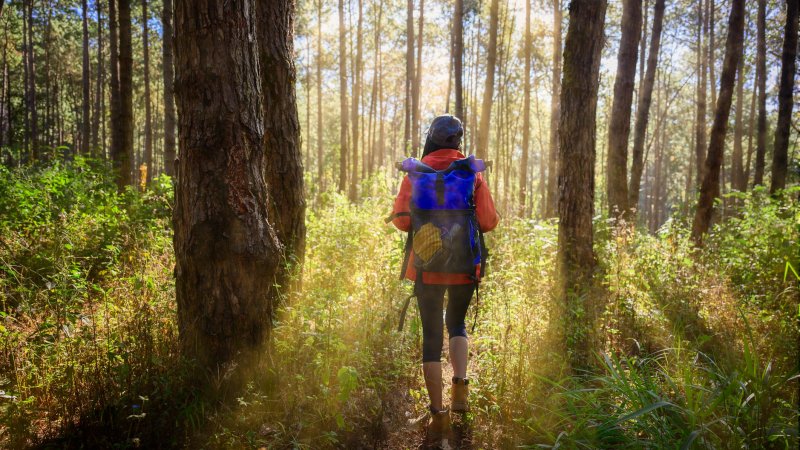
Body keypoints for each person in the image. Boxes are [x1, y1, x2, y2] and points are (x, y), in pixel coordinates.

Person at [390, 115, 499, 442]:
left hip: (426, 267)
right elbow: (489, 221)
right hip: (465, 266)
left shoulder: (416, 172)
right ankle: (460, 392)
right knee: (458, 324)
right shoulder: (471, 172)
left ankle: (439, 417)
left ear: (432, 139)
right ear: (457, 141)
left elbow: (401, 221)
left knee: (431, 337)